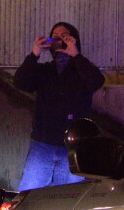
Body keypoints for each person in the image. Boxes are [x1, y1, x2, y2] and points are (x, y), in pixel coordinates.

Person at [14, 21, 105, 192]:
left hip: (72, 146)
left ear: (74, 40)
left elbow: (97, 81)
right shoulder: (45, 71)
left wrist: (75, 54)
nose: (59, 40)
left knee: (68, 196)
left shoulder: (81, 70)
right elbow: (20, 82)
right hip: (43, 143)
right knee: (29, 193)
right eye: (55, 37)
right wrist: (35, 53)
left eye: (64, 37)